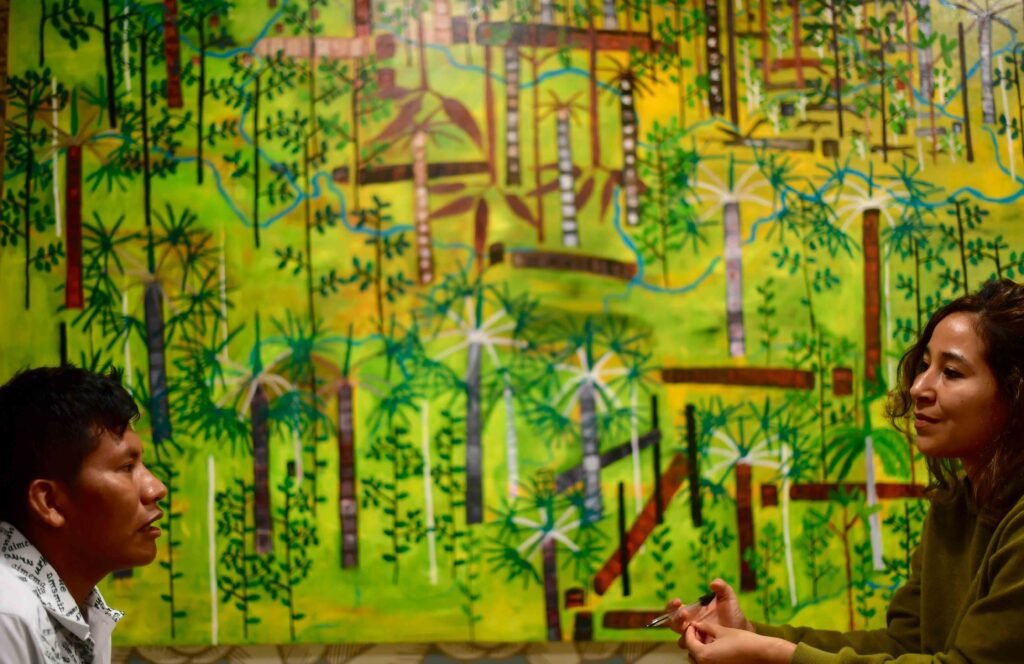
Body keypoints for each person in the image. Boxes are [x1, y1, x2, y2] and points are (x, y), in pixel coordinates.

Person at [666, 278, 1024, 664]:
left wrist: (774, 653)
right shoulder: (953, 506)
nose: (919, 387)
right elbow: (904, 645)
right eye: (924, 366)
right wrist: (750, 633)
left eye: (951, 372)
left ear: (1014, 393)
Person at [0, 366, 167, 663]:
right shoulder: (9, 616)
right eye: (126, 467)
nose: (157, 488)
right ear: (50, 502)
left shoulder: (81, 610)